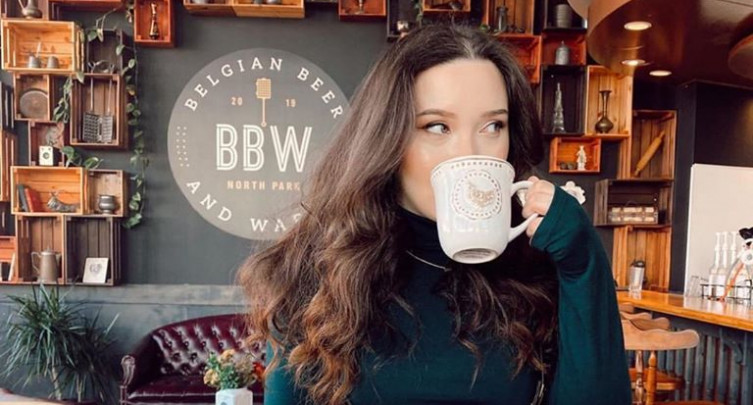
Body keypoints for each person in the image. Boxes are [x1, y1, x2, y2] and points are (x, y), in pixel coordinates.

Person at [240, 23, 631, 405]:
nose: (469, 154)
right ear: (388, 138)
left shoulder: (538, 268)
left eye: (493, 125)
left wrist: (583, 263)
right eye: (437, 126)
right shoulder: (311, 272)